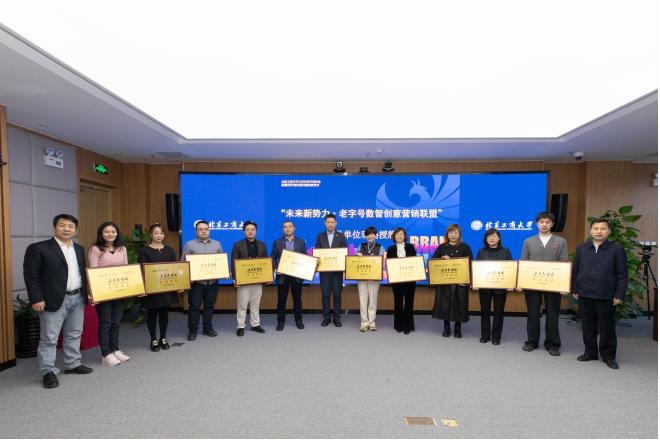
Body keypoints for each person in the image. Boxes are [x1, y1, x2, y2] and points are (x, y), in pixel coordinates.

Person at [23, 214, 93, 388]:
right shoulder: (38, 248)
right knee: (49, 338)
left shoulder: (79, 248)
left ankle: (72, 364)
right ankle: (48, 371)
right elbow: (31, 276)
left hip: (77, 297)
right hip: (52, 299)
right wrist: (36, 298)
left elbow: (82, 273)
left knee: (74, 333)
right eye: (62, 225)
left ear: (75, 229)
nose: (66, 229)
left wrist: (89, 292)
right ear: (54, 227)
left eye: (71, 226)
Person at [572, 218, 628, 369]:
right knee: (587, 326)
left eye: (603, 229)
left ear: (609, 231)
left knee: (607, 327)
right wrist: (575, 289)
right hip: (585, 293)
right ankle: (590, 352)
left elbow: (622, 275)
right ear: (590, 231)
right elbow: (576, 271)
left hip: (606, 295)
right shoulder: (582, 248)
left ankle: (608, 356)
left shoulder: (616, 249)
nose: (599, 231)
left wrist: (619, 294)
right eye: (596, 228)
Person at [520, 211, 569, 356]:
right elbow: (524, 262)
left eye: (547, 222)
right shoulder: (528, 241)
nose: (544, 224)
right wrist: (521, 282)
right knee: (532, 313)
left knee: (552, 314)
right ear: (537, 224)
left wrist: (563, 285)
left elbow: (564, 263)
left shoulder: (561, 241)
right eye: (541, 222)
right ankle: (532, 341)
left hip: (553, 284)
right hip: (532, 283)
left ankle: (552, 344)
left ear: (552, 224)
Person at [88, 221, 130, 366]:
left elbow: (126, 269)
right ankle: (105, 354)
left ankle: (115, 349)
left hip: (119, 290)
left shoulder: (122, 249)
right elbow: (93, 271)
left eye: (113, 231)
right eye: (107, 231)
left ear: (117, 233)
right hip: (103, 291)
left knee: (116, 322)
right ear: (101, 233)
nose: (110, 234)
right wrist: (93, 292)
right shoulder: (95, 249)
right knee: (105, 323)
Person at [138, 223, 179, 352]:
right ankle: (153, 339)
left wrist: (179, 285)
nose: (159, 235)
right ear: (151, 235)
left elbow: (175, 268)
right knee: (152, 313)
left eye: (161, 233)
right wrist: (143, 288)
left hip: (166, 287)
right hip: (152, 288)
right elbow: (141, 270)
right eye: (156, 233)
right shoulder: (144, 251)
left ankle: (163, 338)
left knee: (164, 314)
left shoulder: (169, 250)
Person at [181, 220, 223, 341]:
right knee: (194, 306)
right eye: (201, 229)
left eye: (206, 229)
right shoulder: (189, 245)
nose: (204, 231)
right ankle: (193, 330)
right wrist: (187, 277)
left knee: (209, 306)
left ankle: (207, 328)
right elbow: (183, 262)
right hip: (197, 283)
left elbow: (221, 261)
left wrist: (224, 271)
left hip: (213, 282)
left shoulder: (217, 244)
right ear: (196, 231)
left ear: (209, 230)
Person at [432, 224, 474, 338]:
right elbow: (433, 263)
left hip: (460, 284)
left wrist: (467, 281)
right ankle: (446, 328)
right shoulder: (441, 247)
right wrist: (441, 260)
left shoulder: (465, 247)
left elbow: (470, 265)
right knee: (444, 305)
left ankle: (457, 328)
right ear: (447, 234)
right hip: (445, 283)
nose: (453, 235)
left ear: (459, 234)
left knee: (459, 305)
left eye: (456, 232)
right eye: (451, 232)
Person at [475, 228, 513, 345]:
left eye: (494, 236)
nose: (491, 238)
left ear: (499, 238)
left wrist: (510, 284)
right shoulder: (481, 252)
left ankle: (496, 337)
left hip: (500, 289)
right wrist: (475, 283)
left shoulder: (506, 251)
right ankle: (485, 336)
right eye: (489, 236)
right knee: (484, 312)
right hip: (484, 288)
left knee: (498, 313)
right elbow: (476, 269)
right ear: (486, 239)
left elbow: (510, 269)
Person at [231, 221, 268, 337]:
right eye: (247, 229)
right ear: (244, 231)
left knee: (255, 304)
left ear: (256, 231)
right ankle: (240, 326)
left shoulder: (262, 245)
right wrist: (235, 279)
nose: (250, 231)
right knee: (242, 305)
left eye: (252, 229)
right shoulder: (237, 245)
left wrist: (267, 276)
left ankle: (255, 324)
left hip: (257, 279)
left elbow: (266, 262)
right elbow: (234, 262)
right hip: (243, 281)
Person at [271, 220, 307, 331]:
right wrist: (276, 268)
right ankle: (280, 321)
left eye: (290, 226)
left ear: (294, 228)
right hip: (283, 276)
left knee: (297, 300)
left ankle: (299, 320)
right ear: (283, 229)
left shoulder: (301, 242)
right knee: (281, 300)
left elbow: (305, 257)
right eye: (285, 227)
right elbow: (272, 257)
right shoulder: (277, 242)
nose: (288, 228)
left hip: (297, 275)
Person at [315, 213, 347, 327]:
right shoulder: (320, 236)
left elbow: (344, 253)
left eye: (332, 222)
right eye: (328, 222)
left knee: (337, 295)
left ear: (336, 223)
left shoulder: (341, 236)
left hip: (337, 272)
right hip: (325, 272)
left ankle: (337, 318)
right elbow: (317, 252)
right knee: (325, 295)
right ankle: (326, 317)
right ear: (325, 223)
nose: (330, 224)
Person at [386, 227, 417, 334]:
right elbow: (389, 264)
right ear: (394, 236)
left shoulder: (410, 247)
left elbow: (414, 262)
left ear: (404, 236)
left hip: (410, 280)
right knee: (398, 303)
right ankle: (398, 325)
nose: (399, 236)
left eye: (401, 234)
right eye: (397, 234)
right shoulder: (390, 249)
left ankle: (408, 325)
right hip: (397, 280)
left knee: (409, 302)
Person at [356, 226, 385, 332]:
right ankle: (364, 322)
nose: (370, 236)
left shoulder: (380, 247)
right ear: (365, 236)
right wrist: (357, 255)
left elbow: (381, 264)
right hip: (362, 277)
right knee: (363, 299)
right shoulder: (361, 246)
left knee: (373, 300)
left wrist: (374, 276)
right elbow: (355, 262)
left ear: (375, 235)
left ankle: (372, 322)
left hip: (374, 279)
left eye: (372, 234)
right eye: (368, 234)